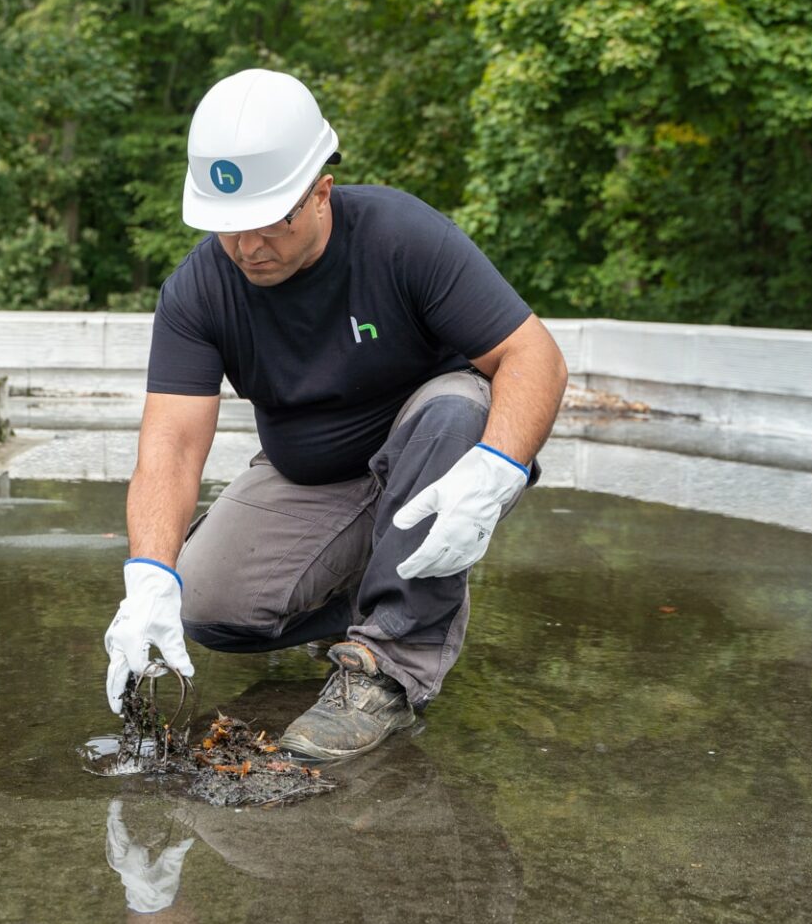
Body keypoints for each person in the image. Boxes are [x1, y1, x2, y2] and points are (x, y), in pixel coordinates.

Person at [104, 68, 568, 760]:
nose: (248, 248)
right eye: (228, 228)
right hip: (312, 475)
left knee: (456, 410)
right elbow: (170, 442)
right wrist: (148, 572)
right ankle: (382, 590)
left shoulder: (400, 236)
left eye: (270, 223)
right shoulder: (200, 290)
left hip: (436, 455)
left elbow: (534, 356)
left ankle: (391, 665)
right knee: (204, 603)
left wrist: (499, 467)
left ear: (320, 192)